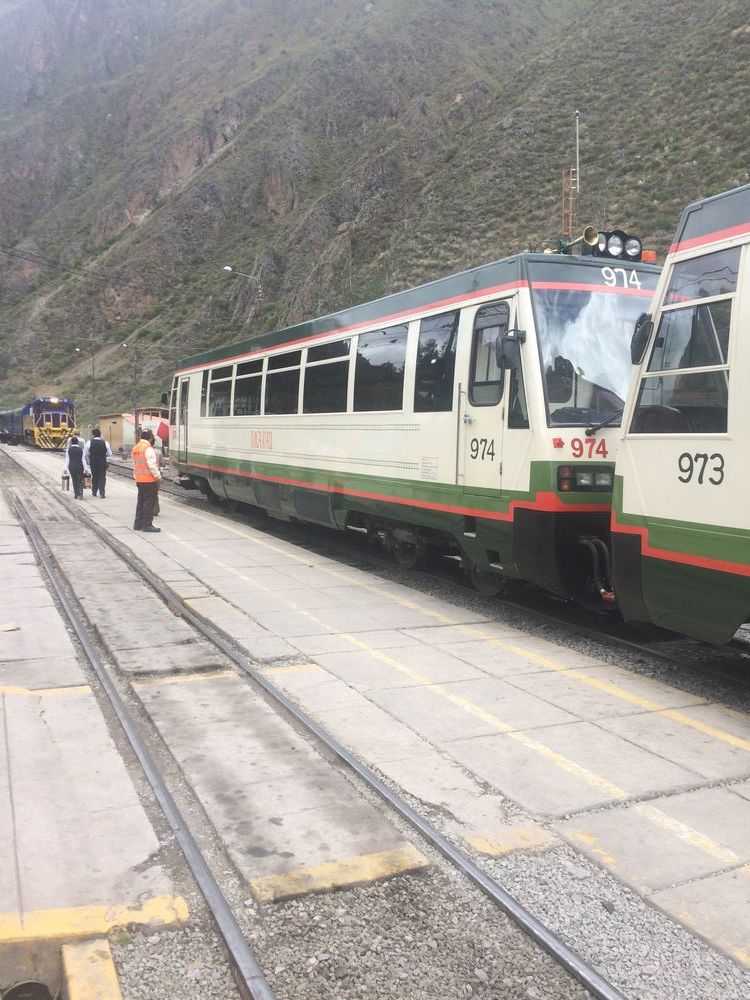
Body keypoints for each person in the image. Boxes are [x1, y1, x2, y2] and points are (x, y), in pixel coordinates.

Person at [132, 429, 162, 532]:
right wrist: (158, 476)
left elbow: (134, 464)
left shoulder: (136, 447)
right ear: (150, 438)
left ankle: (138, 524)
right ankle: (147, 525)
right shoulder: (148, 448)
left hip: (140, 480)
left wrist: (136, 476)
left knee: (140, 502)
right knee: (149, 503)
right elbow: (152, 465)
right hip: (149, 480)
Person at [84, 428, 113, 498]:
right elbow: (110, 454)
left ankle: (94, 492)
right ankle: (102, 493)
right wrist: (103, 454)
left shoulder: (89, 442)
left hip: (93, 462)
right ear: (100, 434)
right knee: (102, 477)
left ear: (93, 434)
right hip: (102, 462)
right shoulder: (105, 443)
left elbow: (86, 453)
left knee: (95, 477)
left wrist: (88, 461)